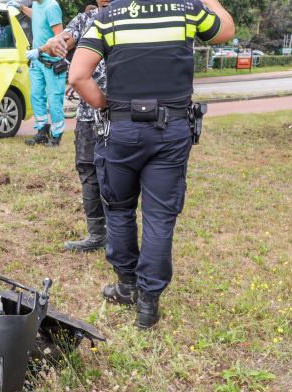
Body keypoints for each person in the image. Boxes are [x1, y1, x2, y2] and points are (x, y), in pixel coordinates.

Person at [69, 0, 235, 328]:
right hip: (170, 131)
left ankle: (126, 286)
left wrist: (106, 107)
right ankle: (148, 306)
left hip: (121, 129)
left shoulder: (108, 16)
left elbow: (77, 76)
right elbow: (226, 30)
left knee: (118, 209)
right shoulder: (186, 10)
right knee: (159, 217)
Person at [42, 0, 111, 252]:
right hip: (87, 116)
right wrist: (53, 44)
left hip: (122, 113)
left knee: (119, 174)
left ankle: (118, 234)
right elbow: (58, 43)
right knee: (88, 171)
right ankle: (97, 235)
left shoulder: (127, 18)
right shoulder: (83, 21)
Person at [7, 0, 65, 147]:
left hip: (52, 62)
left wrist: (39, 50)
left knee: (53, 99)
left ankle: (56, 135)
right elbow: (38, 15)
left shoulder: (52, 6)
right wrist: (21, 7)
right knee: (36, 96)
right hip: (37, 61)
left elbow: (59, 36)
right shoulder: (37, 5)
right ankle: (41, 132)